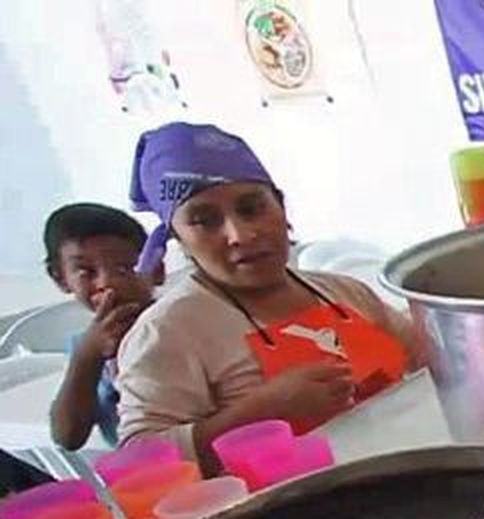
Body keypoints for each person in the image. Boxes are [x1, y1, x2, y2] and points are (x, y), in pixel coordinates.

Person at [116, 122, 414, 471]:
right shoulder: (169, 332)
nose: (240, 235)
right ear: (178, 238)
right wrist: (261, 413)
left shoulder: (344, 291)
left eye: (252, 208)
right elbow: (139, 464)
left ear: (281, 207)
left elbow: (428, 357)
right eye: (205, 221)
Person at [41, 203, 160, 449]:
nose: (108, 282)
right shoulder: (85, 348)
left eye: (125, 268)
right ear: (60, 278)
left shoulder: (181, 322)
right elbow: (68, 437)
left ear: (157, 269)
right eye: (86, 271)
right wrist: (88, 356)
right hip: (148, 468)